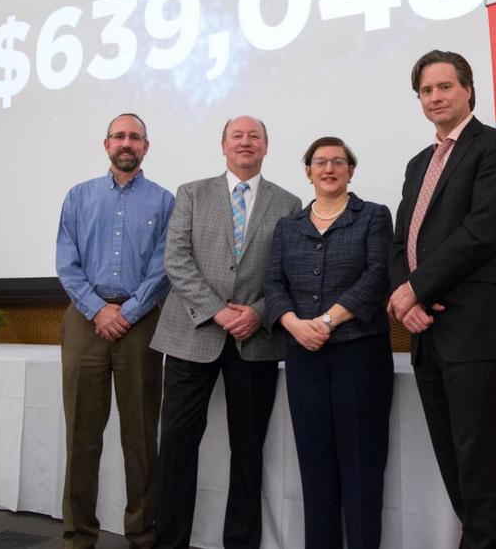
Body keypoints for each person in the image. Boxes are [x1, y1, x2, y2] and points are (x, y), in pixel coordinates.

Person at [387, 50, 496, 549]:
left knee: (478, 460)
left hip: (475, 330)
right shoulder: (417, 164)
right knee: (450, 458)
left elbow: (483, 230)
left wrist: (418, 287)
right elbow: (401, 242)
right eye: (426, 90)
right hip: (426, 333)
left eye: (445, 86)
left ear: (468, 89)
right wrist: (408, 298)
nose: (435, 97)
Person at [149, 116, 301, 549]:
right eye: (238, 135)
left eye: (255, 136)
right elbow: (176, 260)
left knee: (248, 451)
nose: (246, 142)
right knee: (177, 447)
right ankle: (170, 542)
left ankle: (241, 541)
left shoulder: (288, 203)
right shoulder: (192, 193)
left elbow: (288, 272)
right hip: (191, 334)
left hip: (256, 340)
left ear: (267, 147)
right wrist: (217, 312)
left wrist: (257, 312)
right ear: (223, 145)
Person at [263, 137, 394, 549]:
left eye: (338, 161)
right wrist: (293, 325)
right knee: (315, 468)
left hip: (360, 355)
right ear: (308, 171)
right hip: (305, 358)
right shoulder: (288, 227)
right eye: (320, 162)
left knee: (361, 470)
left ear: (351, 171)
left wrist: (323, 321)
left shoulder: (373, 216)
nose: (329, 168)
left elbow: (377, 277)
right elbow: (273, 283)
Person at [55, 113, 175, 549]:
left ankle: (142, 533)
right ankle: (78, 533)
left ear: (146, 147)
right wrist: (97, 310)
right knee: (81, 434)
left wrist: (128, 311)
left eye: (135, 137)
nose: (127, 142)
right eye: (119, 136)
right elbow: (66, 264)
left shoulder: (165, 202)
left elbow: (166, 266)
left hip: (141, 324)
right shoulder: (78, 197)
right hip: (84, 321)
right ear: (106, 144)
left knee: (141, 436)